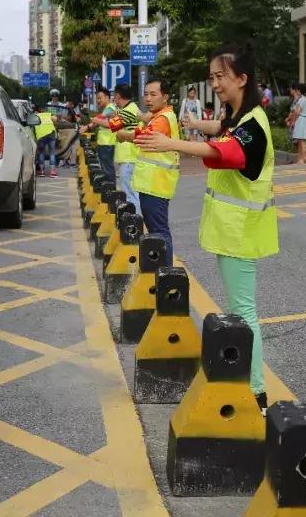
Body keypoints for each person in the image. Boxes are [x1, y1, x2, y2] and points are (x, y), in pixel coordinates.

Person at [138, 45, 277, 413]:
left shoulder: (253, 125)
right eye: (212, 76)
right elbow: (223, 130)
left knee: (243, 311)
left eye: (221, 77)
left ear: (242, 79)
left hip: (241, 233)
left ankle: (258, 393)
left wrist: (171, 143)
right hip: (233, 231)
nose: (214, 83)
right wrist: (198, 126)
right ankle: (251, 387)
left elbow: (228, 152)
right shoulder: (238, 118)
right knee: (238, 309)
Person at [126, 79, 180, 267]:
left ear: (165, 97)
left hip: (157, 185)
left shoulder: (164, 119)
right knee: (156, 229)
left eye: (153, 94)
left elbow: (144, 139)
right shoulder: (158, 116)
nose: (148, 98)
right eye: (146, 94)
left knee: (159, 230)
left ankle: (167, 273)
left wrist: (123, 135)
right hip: (152, 184)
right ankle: (163, 271)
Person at [108, 83, 142, 213]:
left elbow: (111, 125)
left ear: (118, 96)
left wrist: (95, 121)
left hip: (129, 157)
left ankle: (135, 222)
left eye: (114, 96)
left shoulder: (129, 110)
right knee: (130, 192)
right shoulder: (130, 108)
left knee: (130, 194)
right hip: (129, 157)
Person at [81, 86, 117, 180]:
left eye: (100, 98)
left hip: (108, 143)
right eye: (97, 98)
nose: (98, 100)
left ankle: (110, 189)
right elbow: (98, 121)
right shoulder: (107, 109)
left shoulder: (111, 108)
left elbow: (100, 119)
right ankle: (108, 188)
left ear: (107, 97)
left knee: (107, 169)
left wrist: (86, 127)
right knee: (105, 168)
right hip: (104, 143)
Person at [287, 83, 306, 164]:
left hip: (302, 120)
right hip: (301, 120)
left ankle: (304, 159)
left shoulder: (302, 100)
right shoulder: (303, 99)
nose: (296, 91)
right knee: (300, 140)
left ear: (300, 91)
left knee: (302, 141)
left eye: (298, 89)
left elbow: (297, 112)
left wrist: (292, 122)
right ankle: (301, 159)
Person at [34, 104, 58, 178]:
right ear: (45, 109)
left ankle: (42, 172)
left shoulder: (36, 116)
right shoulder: (48, 114)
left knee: (41, 153)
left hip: (41, 135)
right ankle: (52, 172)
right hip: (51, 134)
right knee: (52, 153)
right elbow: (56, 119)